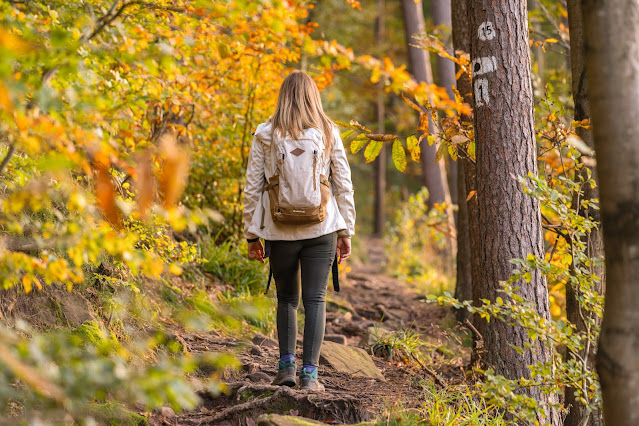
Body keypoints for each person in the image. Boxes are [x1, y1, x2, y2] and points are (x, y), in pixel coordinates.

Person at [242, 70, 356, 391]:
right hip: (322, 229)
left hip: (279, 230)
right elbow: (344, 185)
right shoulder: (329, 132)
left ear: (282, 97)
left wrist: (252, 235)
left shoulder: (265, 133)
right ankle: (310, 376)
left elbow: (253, 188)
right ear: (313, 97)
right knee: (316, 300)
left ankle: (286, 368)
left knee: (287, 299)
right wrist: (345, 230)